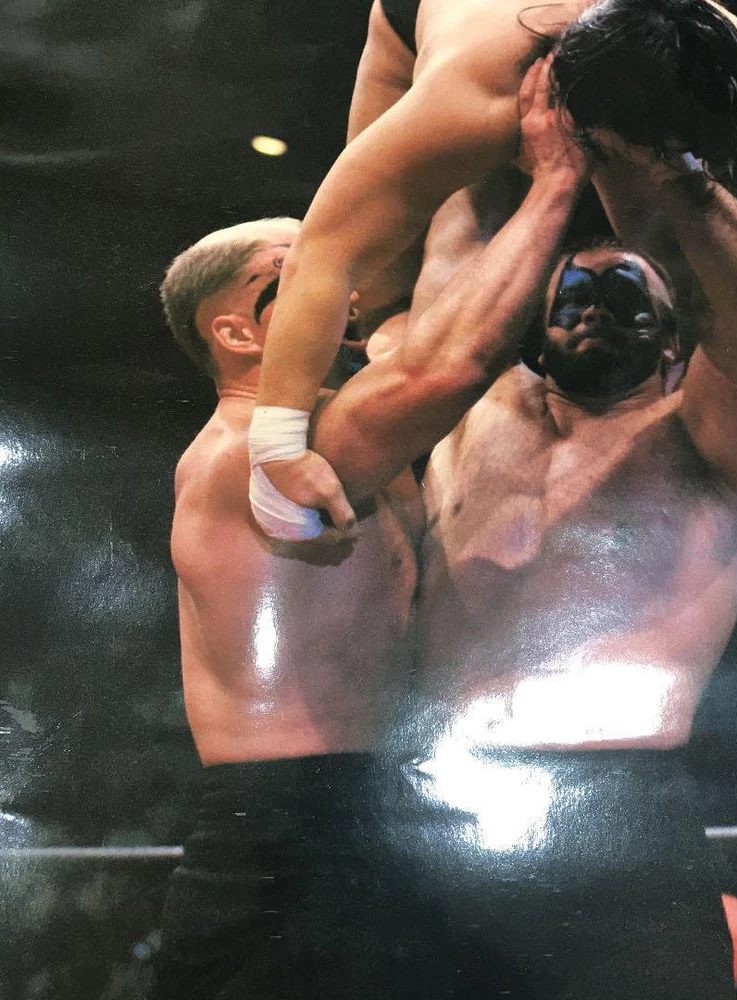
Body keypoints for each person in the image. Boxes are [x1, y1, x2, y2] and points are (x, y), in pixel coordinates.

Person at [152, 63, 593, 999]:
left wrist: (469, 147)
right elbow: (449, 363)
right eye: (299, 276)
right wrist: (557, 179)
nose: (338, 291)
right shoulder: (250, 455)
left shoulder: (338, 432)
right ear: (237, 334)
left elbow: (429, 308)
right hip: (286, 828)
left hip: (378, 804)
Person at [362, 112, 737, 997]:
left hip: (620, 814)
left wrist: (655, 153)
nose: (595, 310)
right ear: (535, 329)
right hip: (441, 806)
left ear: (675, 340)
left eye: (626, 298)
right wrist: (492, 106)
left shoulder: (715, 443)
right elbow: (450, 243)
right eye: (573, 300)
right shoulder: (465, 408)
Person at [250, 0, 737, 539]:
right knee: (387, 288)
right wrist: (276, 447)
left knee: (679, 234)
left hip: (639, 73)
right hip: (453, 33)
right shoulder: (471, 98)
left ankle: (665, 183)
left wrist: (679, 180)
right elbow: (327, 251)